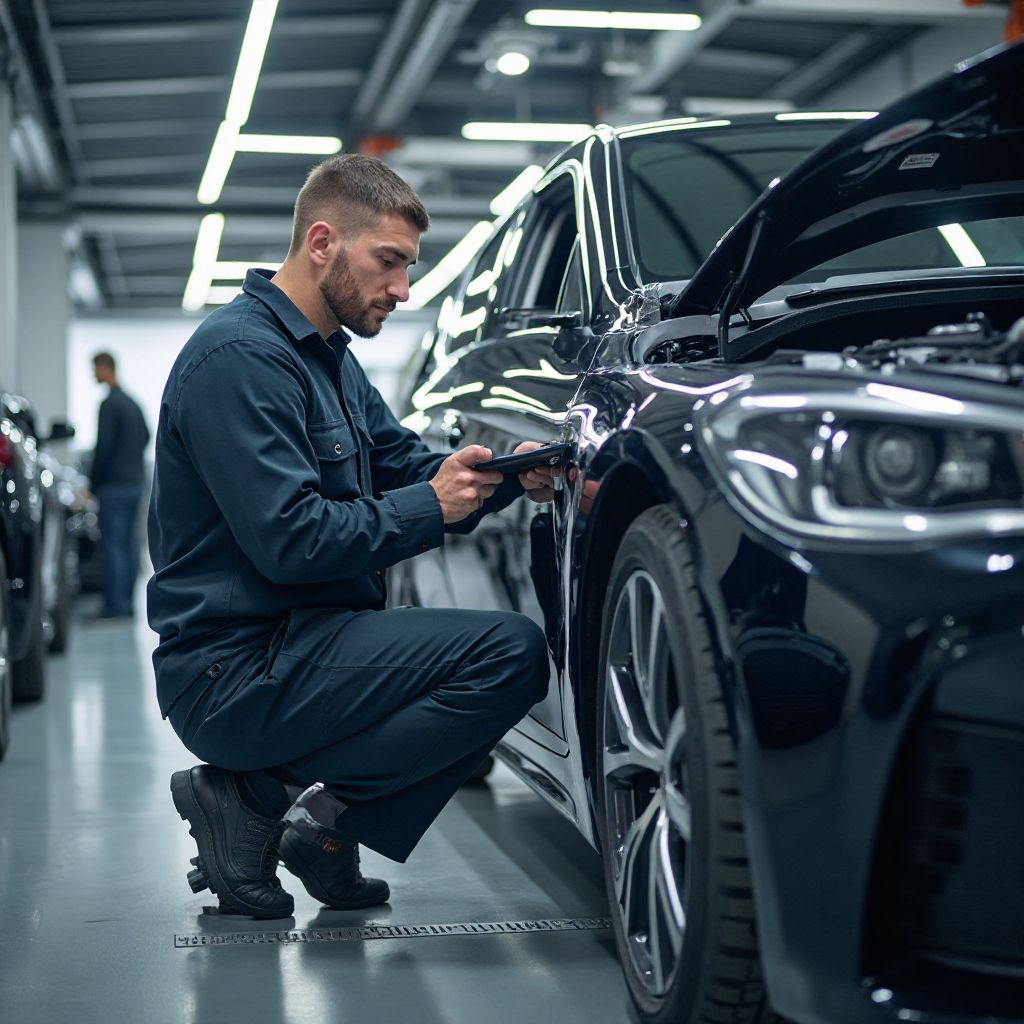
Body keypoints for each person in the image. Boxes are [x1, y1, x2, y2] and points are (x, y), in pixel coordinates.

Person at [147, 154, 556, 920]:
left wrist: (508, 473)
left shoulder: (329, 358)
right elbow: (290, 541)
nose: (403, 290)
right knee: (505, 655)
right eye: (390, 262)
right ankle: (254, 794)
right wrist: (431, 505)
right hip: (237, 670)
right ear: (323, 242)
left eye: (409, 267)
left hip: (306, 644)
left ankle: (325, 832)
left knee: (484, 659)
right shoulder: (240, 358)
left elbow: (399, 460)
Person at [89, 352, 150, 620]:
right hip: (134, 483)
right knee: (128, 544)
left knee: (113, 545)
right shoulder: (132, 403)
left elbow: (103, 448)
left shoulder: (109, 404)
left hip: (113, 487)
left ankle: (116, 606)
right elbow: (146, 436)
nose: (93, 374)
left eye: (94, 369)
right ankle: (127, 602)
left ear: (105, 368)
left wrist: (92, 482)